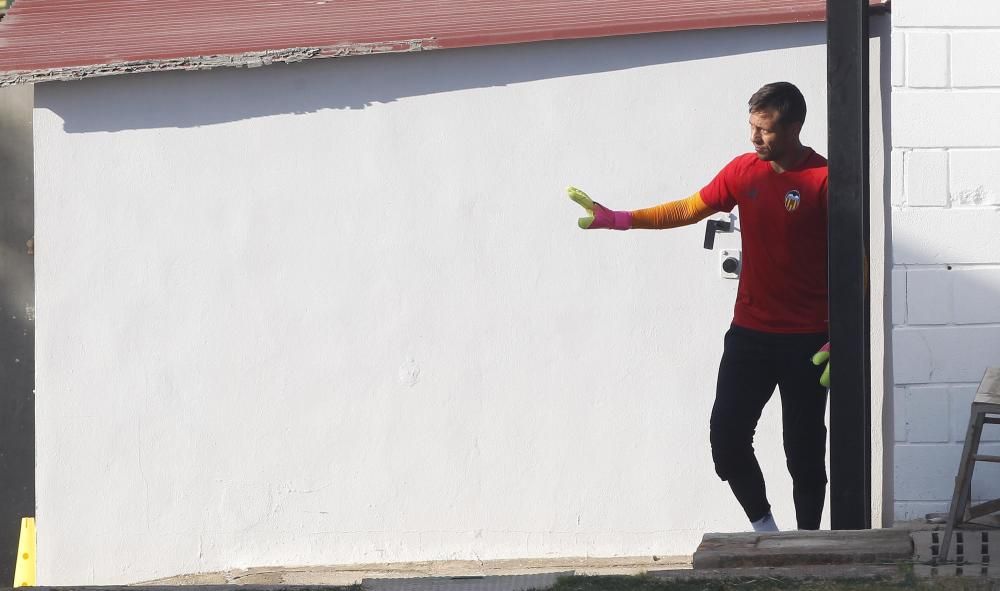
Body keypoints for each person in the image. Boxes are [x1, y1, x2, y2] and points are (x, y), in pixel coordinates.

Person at [569, 81, 830, 532]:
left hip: (809, 340)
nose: (754, 138)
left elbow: (854, 259)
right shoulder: (743, 171)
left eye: (764, 130)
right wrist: (620, 219)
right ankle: (766, 534)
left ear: (795, 127)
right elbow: (688, 208)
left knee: (803, 453)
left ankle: (807, 547)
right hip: (750, 334)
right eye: (751, 126)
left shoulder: (825, 179)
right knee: (726, 441)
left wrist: (844, 333)